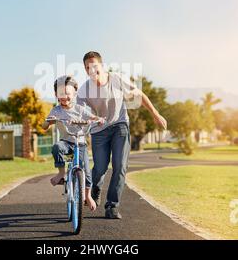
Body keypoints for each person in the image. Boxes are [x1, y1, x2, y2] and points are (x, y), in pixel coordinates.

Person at [77, 51, 167, 219]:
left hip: (120, 125)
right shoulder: (84, 90)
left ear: (102, 66)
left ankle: (112, 205)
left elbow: (139, 94)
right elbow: (78, 112)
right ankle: (94, 190)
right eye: (87, 67)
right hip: (99, 130)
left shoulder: (117, 79)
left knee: (120, 166)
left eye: (94, 66)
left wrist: (156, 114)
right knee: (100, 168)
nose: (92, 70)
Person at [42, 75, 105, 211]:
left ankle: (87, 196)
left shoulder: (80, 109)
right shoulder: (56, 110)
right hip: (66, 143)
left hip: (80, 145)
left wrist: (98, 119)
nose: (64, 97)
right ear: (56, 95)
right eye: (61, 94)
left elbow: (92, 117)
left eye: (68, 94)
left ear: (74, 94)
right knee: (57, 147)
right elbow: (44, 125)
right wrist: (49, 121)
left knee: (87, 173)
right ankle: (61, 173)